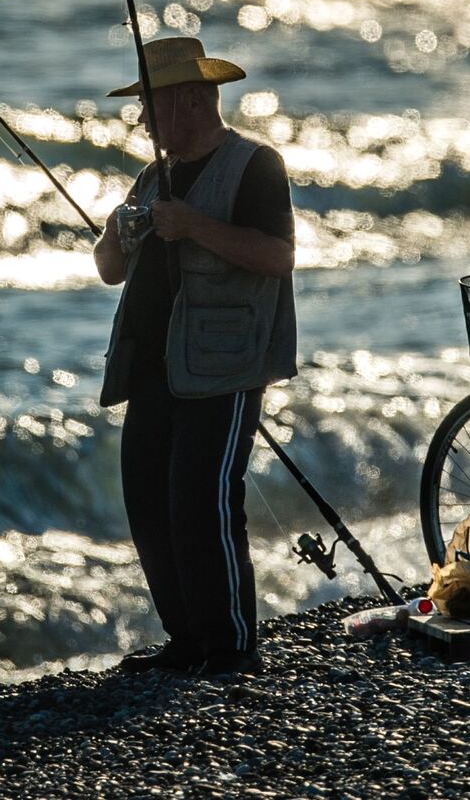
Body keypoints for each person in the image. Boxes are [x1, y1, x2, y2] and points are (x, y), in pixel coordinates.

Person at [93, 36, 298, 675]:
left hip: (225, 368)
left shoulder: (255, 165)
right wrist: (118, 230)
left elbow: (277, 256)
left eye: (150, 107)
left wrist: (194, 226)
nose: (145, 121)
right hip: (152, 365)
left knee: (203, 503)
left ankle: (230, 647)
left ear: (187, 101)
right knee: (148, 501)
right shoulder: (152, 175)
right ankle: (186, 642)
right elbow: (107, 270)